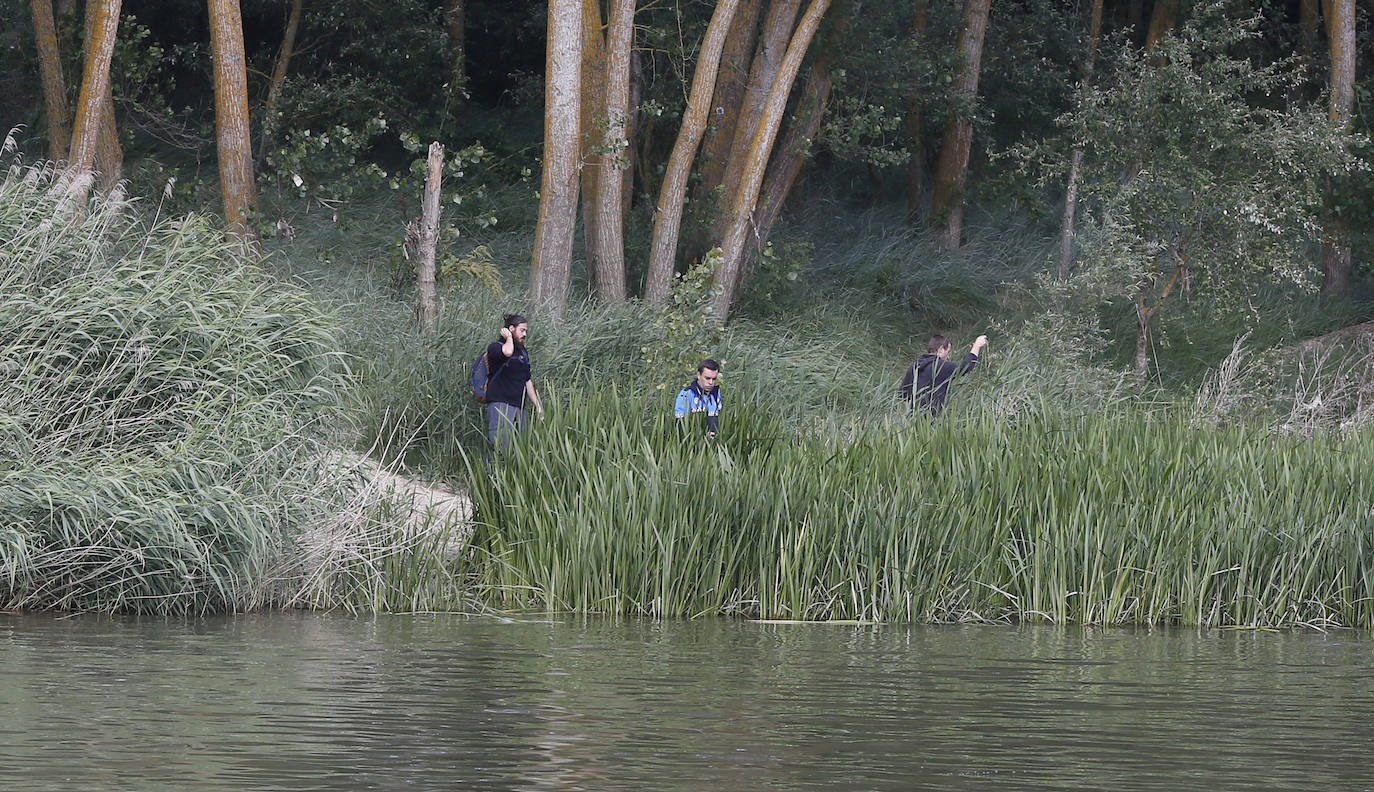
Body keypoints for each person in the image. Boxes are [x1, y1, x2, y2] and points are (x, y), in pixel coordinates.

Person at [485, 313, 544, 454]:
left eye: (526, 331)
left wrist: (538, 406)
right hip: (500, 405)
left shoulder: (523, 353)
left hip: (520, 407)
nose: (525, 334)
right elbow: (507, 352)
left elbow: (527, 380)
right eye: (522, 330)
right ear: (511, 329)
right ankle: (493, 476)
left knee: (520, 450)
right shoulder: (495, 348)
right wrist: (509, 338)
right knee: (500, 449)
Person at [898, 333, 987, 415]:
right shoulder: (941, 367)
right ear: (941, 350)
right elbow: (966, 366)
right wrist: (977, 345)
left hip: (913, 419)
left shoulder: (914, 367)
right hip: (932, 421)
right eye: (948, 351)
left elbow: (903, 395)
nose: (948, 356)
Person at [674, 359, 722, 438]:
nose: (711, 382)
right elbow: (680, 427)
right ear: (699, 375)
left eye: (714, 379)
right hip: (692, 444)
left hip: (713, 444)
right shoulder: (686, 395)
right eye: (707, 378)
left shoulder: (716, 395)